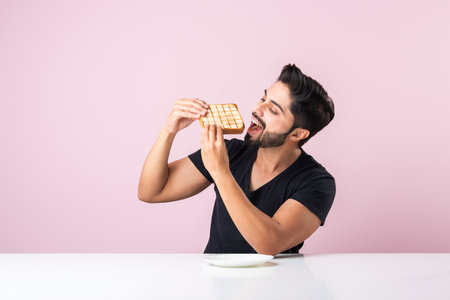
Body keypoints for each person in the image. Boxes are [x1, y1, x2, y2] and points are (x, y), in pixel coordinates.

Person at [138, 64, 336, 255]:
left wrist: (221, 172)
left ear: (298, 134)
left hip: (276, 285)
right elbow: (151, 191)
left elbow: (270, 243)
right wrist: (169, 130)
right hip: (216, 282)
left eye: (273, 110)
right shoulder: (230, 151)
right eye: (263, 98)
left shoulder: (317, 183)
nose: (257, 109)